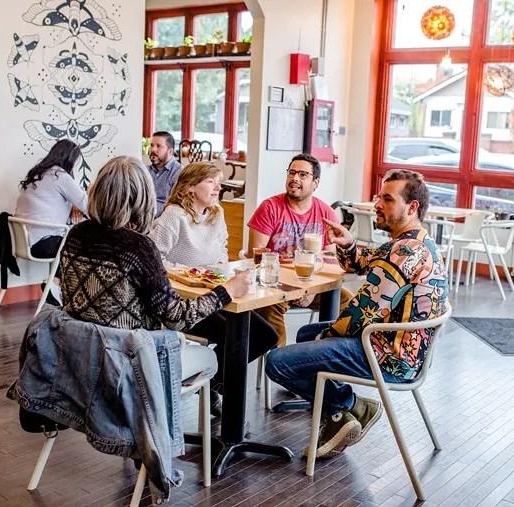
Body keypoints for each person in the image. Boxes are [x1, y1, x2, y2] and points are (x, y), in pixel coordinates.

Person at [265, 170, 450, 459]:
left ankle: (346, 408)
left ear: (412, 207)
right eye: (379, 196)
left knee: (277, 362)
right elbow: (363, 262)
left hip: (389, 357)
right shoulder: (414, 243)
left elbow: (363, 315)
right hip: (403, 348)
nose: (377, 204)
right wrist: (349, 244)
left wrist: (327, 337)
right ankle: (344, 410)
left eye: (387, 199)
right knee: (305, 335)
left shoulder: (404, 253)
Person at [57, 154, 252, 345]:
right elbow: (177, 318)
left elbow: (66, 294)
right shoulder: (139, 247)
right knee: (217, 354)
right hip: (131, 357)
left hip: (78, 348)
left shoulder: (75, 234)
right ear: (143, 197)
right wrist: (227, 290)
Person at [150, 161, 279, 413]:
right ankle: (216, 391)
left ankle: (210, 384)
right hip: (184, 303)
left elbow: (221, 253)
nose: (218, 187)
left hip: (218, 295)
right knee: (236, 338)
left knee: (267, 336)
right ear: (189, 187)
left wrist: (225, 272)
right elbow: (154, 258)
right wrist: (183, 272)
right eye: (211, 181)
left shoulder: (216, 213)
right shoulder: (174, 216)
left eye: (218, 181)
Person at [247, 153, 353, 346]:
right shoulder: (269, 208)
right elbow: (255, 255)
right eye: (292, 173)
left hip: (309, 284)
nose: (295, 178)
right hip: (274, 286)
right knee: (270, 308)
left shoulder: (325, 213)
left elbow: (330, 262)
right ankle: (279, 362)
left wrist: (311, 290)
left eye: (303, 175)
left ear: (315, 182)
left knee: (348, 301)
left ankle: (323, 353)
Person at [14, 139, 88, 258]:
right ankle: (64, 276)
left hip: (23, 242)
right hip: (45, 244)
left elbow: (50, 201)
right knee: (87, 242)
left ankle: (58, 276)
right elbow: (87, 205)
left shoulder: (37, 174)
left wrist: (73, 204)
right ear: (69, 159)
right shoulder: (59, 176)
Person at [148, 131, 182, 216]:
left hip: (164, 220)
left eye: (158, 146)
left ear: (170, 151)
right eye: (152, 145)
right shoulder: (145, 170)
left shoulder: (179, 172)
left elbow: (177, 206)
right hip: (142, 216)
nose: (153, 149)